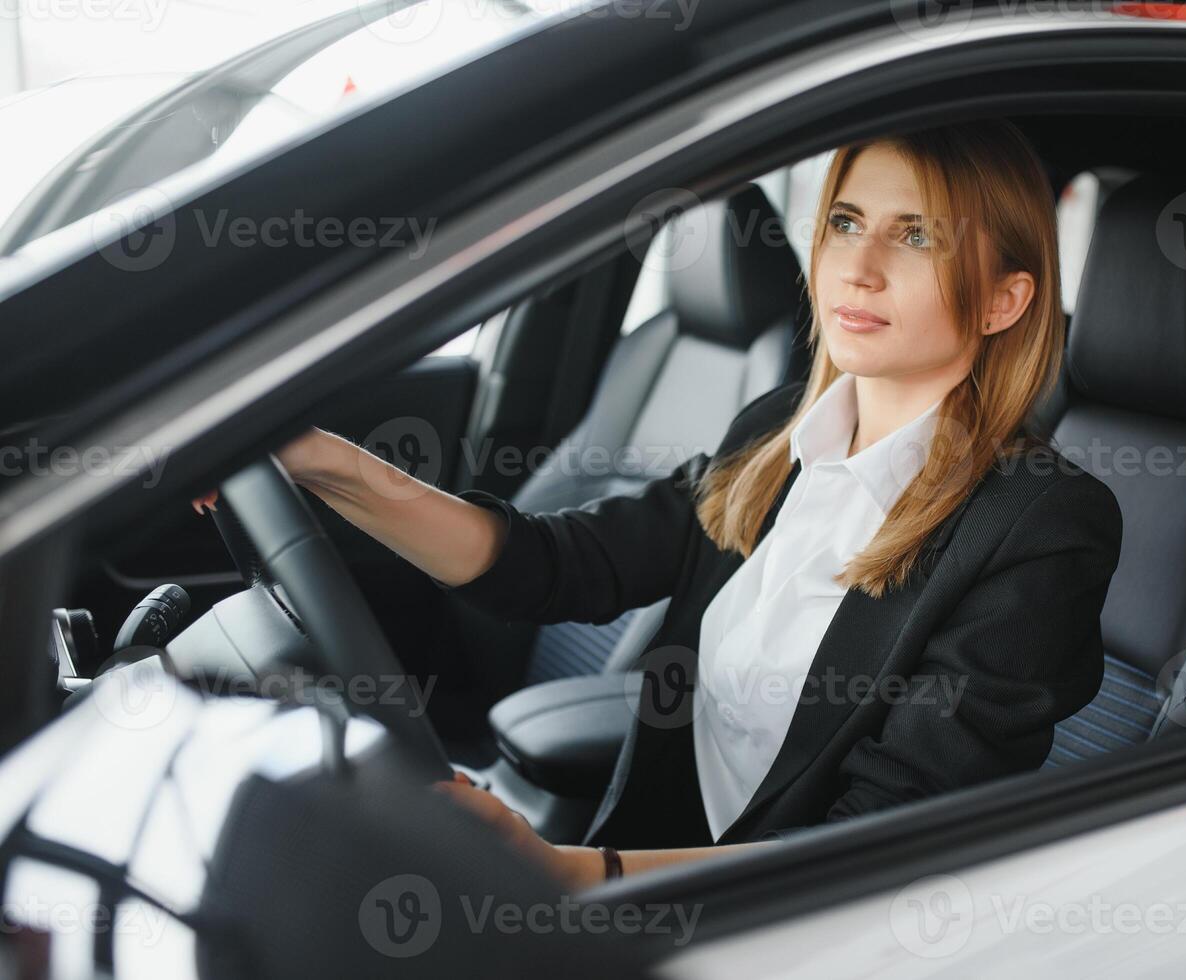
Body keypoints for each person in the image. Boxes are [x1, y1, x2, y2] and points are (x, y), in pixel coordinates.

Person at [196, 118, 1123, 891]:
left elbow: (881, 847)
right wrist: (322, 466)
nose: (861, 265)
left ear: (1006, 300)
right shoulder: (771, 439)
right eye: (845, 221)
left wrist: (572, 874)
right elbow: (548, 564)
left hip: (803, 929)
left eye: (917, 235)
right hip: (651, 883)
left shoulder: (1040, 527)